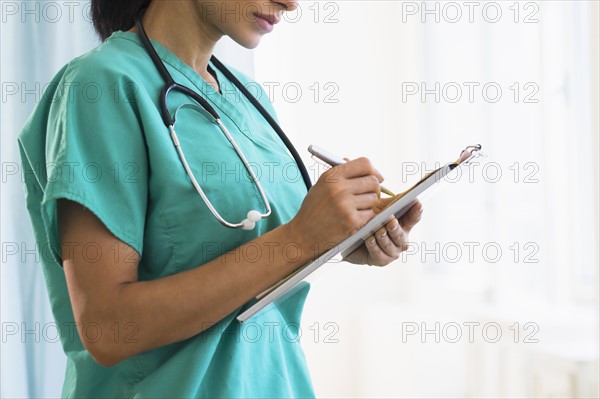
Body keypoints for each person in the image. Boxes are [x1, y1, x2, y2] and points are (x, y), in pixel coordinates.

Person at [18, 0, 423, 397]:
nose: (290, 3)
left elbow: (258, 249)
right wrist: (300, 238)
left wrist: (342, 236)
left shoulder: (247, 95)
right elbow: (107, 328)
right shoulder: (100, 85)